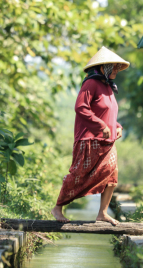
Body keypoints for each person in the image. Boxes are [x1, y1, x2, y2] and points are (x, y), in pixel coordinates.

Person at [51, 46, 130, 226]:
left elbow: (109, 113)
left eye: (118, 67)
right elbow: (81, 107)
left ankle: (102, 213)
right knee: (79, 175)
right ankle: (57, 207)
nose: (116, 70)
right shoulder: (91, 83)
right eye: (113, 67)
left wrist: (118, 126)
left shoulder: (109, 88)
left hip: (107, 142)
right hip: (89, 139)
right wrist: (101, 125)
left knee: (112, 175)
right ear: (103, 68)